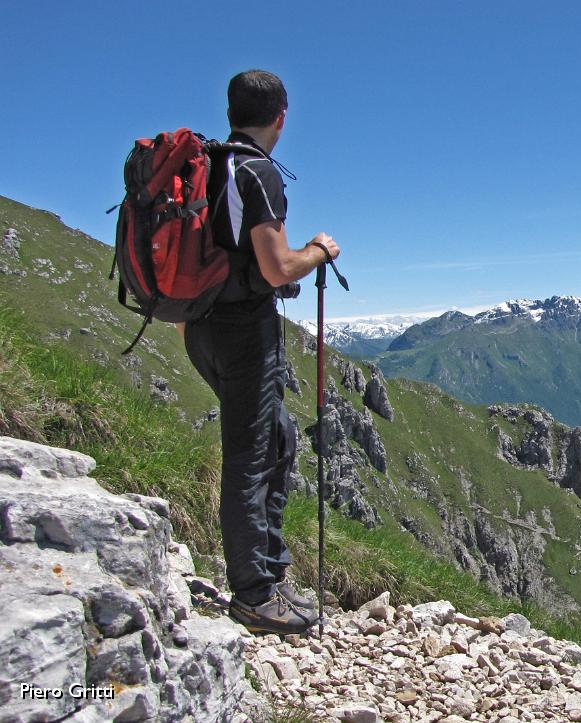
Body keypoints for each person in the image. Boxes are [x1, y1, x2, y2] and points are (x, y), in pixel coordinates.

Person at [181, 69, 340, 635]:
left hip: (199, 327)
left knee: (275, 439)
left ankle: (267, 576)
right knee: (252, 456)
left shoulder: (207, 164)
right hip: (244, 332)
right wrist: (319, 251)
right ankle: (254, 594)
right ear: (281, 116)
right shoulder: (258, 172)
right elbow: (276, 267)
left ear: (231, 111)